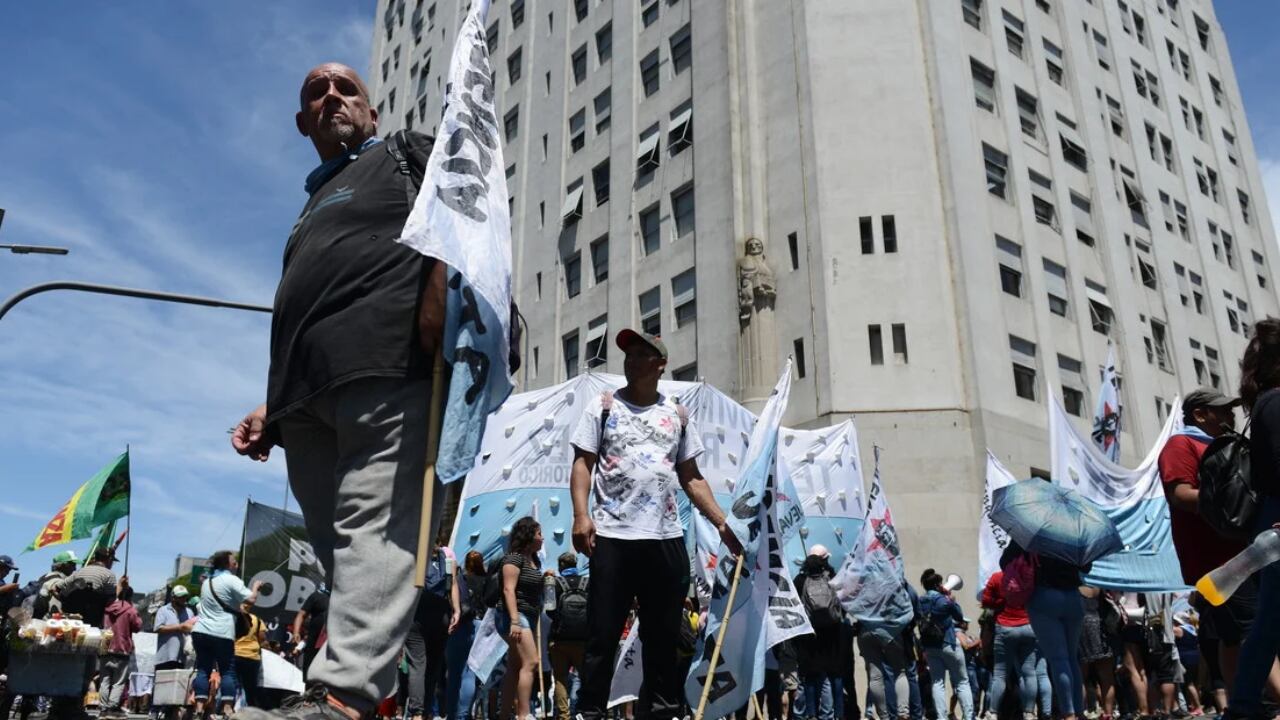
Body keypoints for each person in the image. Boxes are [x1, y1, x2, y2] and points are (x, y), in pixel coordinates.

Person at [231, 61, 452, 720]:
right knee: (344, 555)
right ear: (303, 124)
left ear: (371, 111)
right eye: (316, 93)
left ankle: (341, 696)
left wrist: (442, 288)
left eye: (345, 87)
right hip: (305, 403)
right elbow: (303, 307)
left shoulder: (403, 152)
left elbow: (467, 197)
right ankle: (359, 692)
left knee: (376, 534)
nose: (331, 95)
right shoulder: (309, 208)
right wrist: (274, 403)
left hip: (389, 367)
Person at [569, 329, 741, 720]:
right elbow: (583, 464)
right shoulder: (604, 407)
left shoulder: (677, 414)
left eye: (640, 354)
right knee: (602, 635)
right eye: (627, 354)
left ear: (659, 364)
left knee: (663, 638)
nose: (630, 360)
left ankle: (663, 711)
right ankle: (591, 712)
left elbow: (692, 477)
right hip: (613, 537)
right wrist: (581, 515)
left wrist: (722, 525)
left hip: (665, 540)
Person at [1158, 387, 1266, 696]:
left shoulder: (1226, 444)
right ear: (1200, 414)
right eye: (1221, 410)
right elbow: (1179, 493)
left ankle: (1240, 704)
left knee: (1231, 636)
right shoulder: (1181, 444)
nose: (1230, 415)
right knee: (1254, 629)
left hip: (1241, 551)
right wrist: (1229, 502)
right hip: (1216, 560)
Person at [1228, 317, 1280, 720]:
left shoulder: (1267, 401)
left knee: (1271, 619)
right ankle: (1243, 706)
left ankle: (1243, 705)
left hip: (1272, 518)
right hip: (1278, 517)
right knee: (1269, 619)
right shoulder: (1276, 401)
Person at [1006, 542, 1089, 720]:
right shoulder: (1074, 533)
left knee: (1058, 659)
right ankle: (1079, 711)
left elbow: (1005, 560)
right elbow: (1087, 566)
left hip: (1043, 597)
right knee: (1072, 658)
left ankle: (1069, 714)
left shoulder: (1033, 533)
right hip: (1073, 597)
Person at [192, 550, 261, 719]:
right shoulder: (231, 579)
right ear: (227, 564)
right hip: (222, 632)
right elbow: (251, 600)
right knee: (227, 671)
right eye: (234, 561)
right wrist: (256, 587)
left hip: (200, 630)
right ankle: (227, 709)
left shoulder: (207, 582)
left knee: (203, 669)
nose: (237, 564)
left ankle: (199, 708)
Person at [405, 544, 460, 720]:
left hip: (417, 611)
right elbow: (453, 583)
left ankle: (417, 713)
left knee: (417, 664)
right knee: (433, 667)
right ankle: (428, 710)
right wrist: (456, 610)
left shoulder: (412, 550)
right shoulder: (447, 553)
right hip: (441, 612)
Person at [498, 517, 544, 720]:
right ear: (528, 536)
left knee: (515, 667)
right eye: (539, 534)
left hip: (528, 617)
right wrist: (515, 621)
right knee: (531, 662)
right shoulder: (514, 558)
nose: (542, 538)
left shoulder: (534, 560)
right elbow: (509, 590)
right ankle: (524, 714)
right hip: (516, 616)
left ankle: (505, 714)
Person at [980, 567, 1037, 720]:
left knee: (1000, 674)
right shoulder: (1029, 575)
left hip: (1005, 626)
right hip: (1028, 625)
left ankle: (992, 712)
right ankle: (1029, 712)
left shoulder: (997, 577)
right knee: (1029, 672)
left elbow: (985, 601)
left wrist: (1001, 601)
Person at [796, 546, 846, 720]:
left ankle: (811, 714)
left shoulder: (800, 580)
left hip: (810, 636)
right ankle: (837, 714)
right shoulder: (832, 577)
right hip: (833, 634)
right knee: (835, 675)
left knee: (810, 676)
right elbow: (842, 602)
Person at [918, 570, 973, 720]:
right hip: (948, 643)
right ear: (937, 585)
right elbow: (959, 616)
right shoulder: (943, 600)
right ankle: (968, 717)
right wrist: (950, 599)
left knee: (937, 682)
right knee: (962, 681)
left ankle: (941, 717)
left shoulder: (920, 600)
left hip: (930, 647)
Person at [548, 552, 588, 720]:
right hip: (583, 640)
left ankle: (564, 716)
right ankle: (584, 712)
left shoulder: (555, 583)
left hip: (559, 639)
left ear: (560, 566)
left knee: (560, 679)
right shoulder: (587, 583)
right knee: (586, 679)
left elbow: (549, 609)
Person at [449, 551, 487, 720]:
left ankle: (451, 714)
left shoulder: (460, 580)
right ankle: (463, 714)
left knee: (454, 672)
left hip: (461, 623)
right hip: (481, 625)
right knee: (470, 673)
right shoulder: (487, 581)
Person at [99, 579, 141, 720]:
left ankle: (103, 708)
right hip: (122, 649)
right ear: (130, 596)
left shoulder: (107, 608)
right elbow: (137, 626)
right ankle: (112, 708)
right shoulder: (130, 610)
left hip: (105, 647)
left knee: (104, 679)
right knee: (118, 682)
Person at [1076, 587, 1117, 720]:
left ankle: (1080, 713)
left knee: (1080, 676)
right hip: (1102, 628)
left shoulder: (1076, 583)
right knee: (1107, 677)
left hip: (1081, 628)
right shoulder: (1100, 582)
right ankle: (1108, 713)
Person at [154, 586, 196, 671]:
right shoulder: (163, 610)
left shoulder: (189, 612)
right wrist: (179, 627)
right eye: (180, 597)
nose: (183, 599)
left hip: (182, 658)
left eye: (185, 596)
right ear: (173, 598)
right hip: (165, 657)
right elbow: (158, 628)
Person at [235, 602, 268, 709]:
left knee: (232, 684)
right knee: (249, 687)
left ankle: (226, 710)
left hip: (235, 654)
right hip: (252, 657)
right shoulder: (257, 620)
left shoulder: (233, 619)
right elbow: (262, 639)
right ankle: (247, 711)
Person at [294, 585, 330, 678]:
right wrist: (296, 632)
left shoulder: (342, 599)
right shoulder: (317, 596)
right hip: (313, 643)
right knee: (309, 673)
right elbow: (301, 614)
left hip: (330, 645)